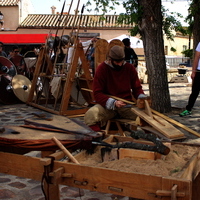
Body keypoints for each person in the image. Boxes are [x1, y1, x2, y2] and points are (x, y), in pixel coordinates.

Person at [84, 45, 147, 132]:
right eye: (117, 62)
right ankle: (98, 140)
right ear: (110, 59)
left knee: (148, 119)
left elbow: (137, 88)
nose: (120, 64)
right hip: (108, 106)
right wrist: (113, 102)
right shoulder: (102, 69)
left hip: (126, 105)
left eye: (121, 61)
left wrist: (141, 96)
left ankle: (156, 140)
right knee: (90, 115)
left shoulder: (129, 68)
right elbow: (97, 93)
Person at [179, 42, 200, 117]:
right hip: (199, 71)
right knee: (195, 92)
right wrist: (193, 71)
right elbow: (197, 57)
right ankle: (188, 109)